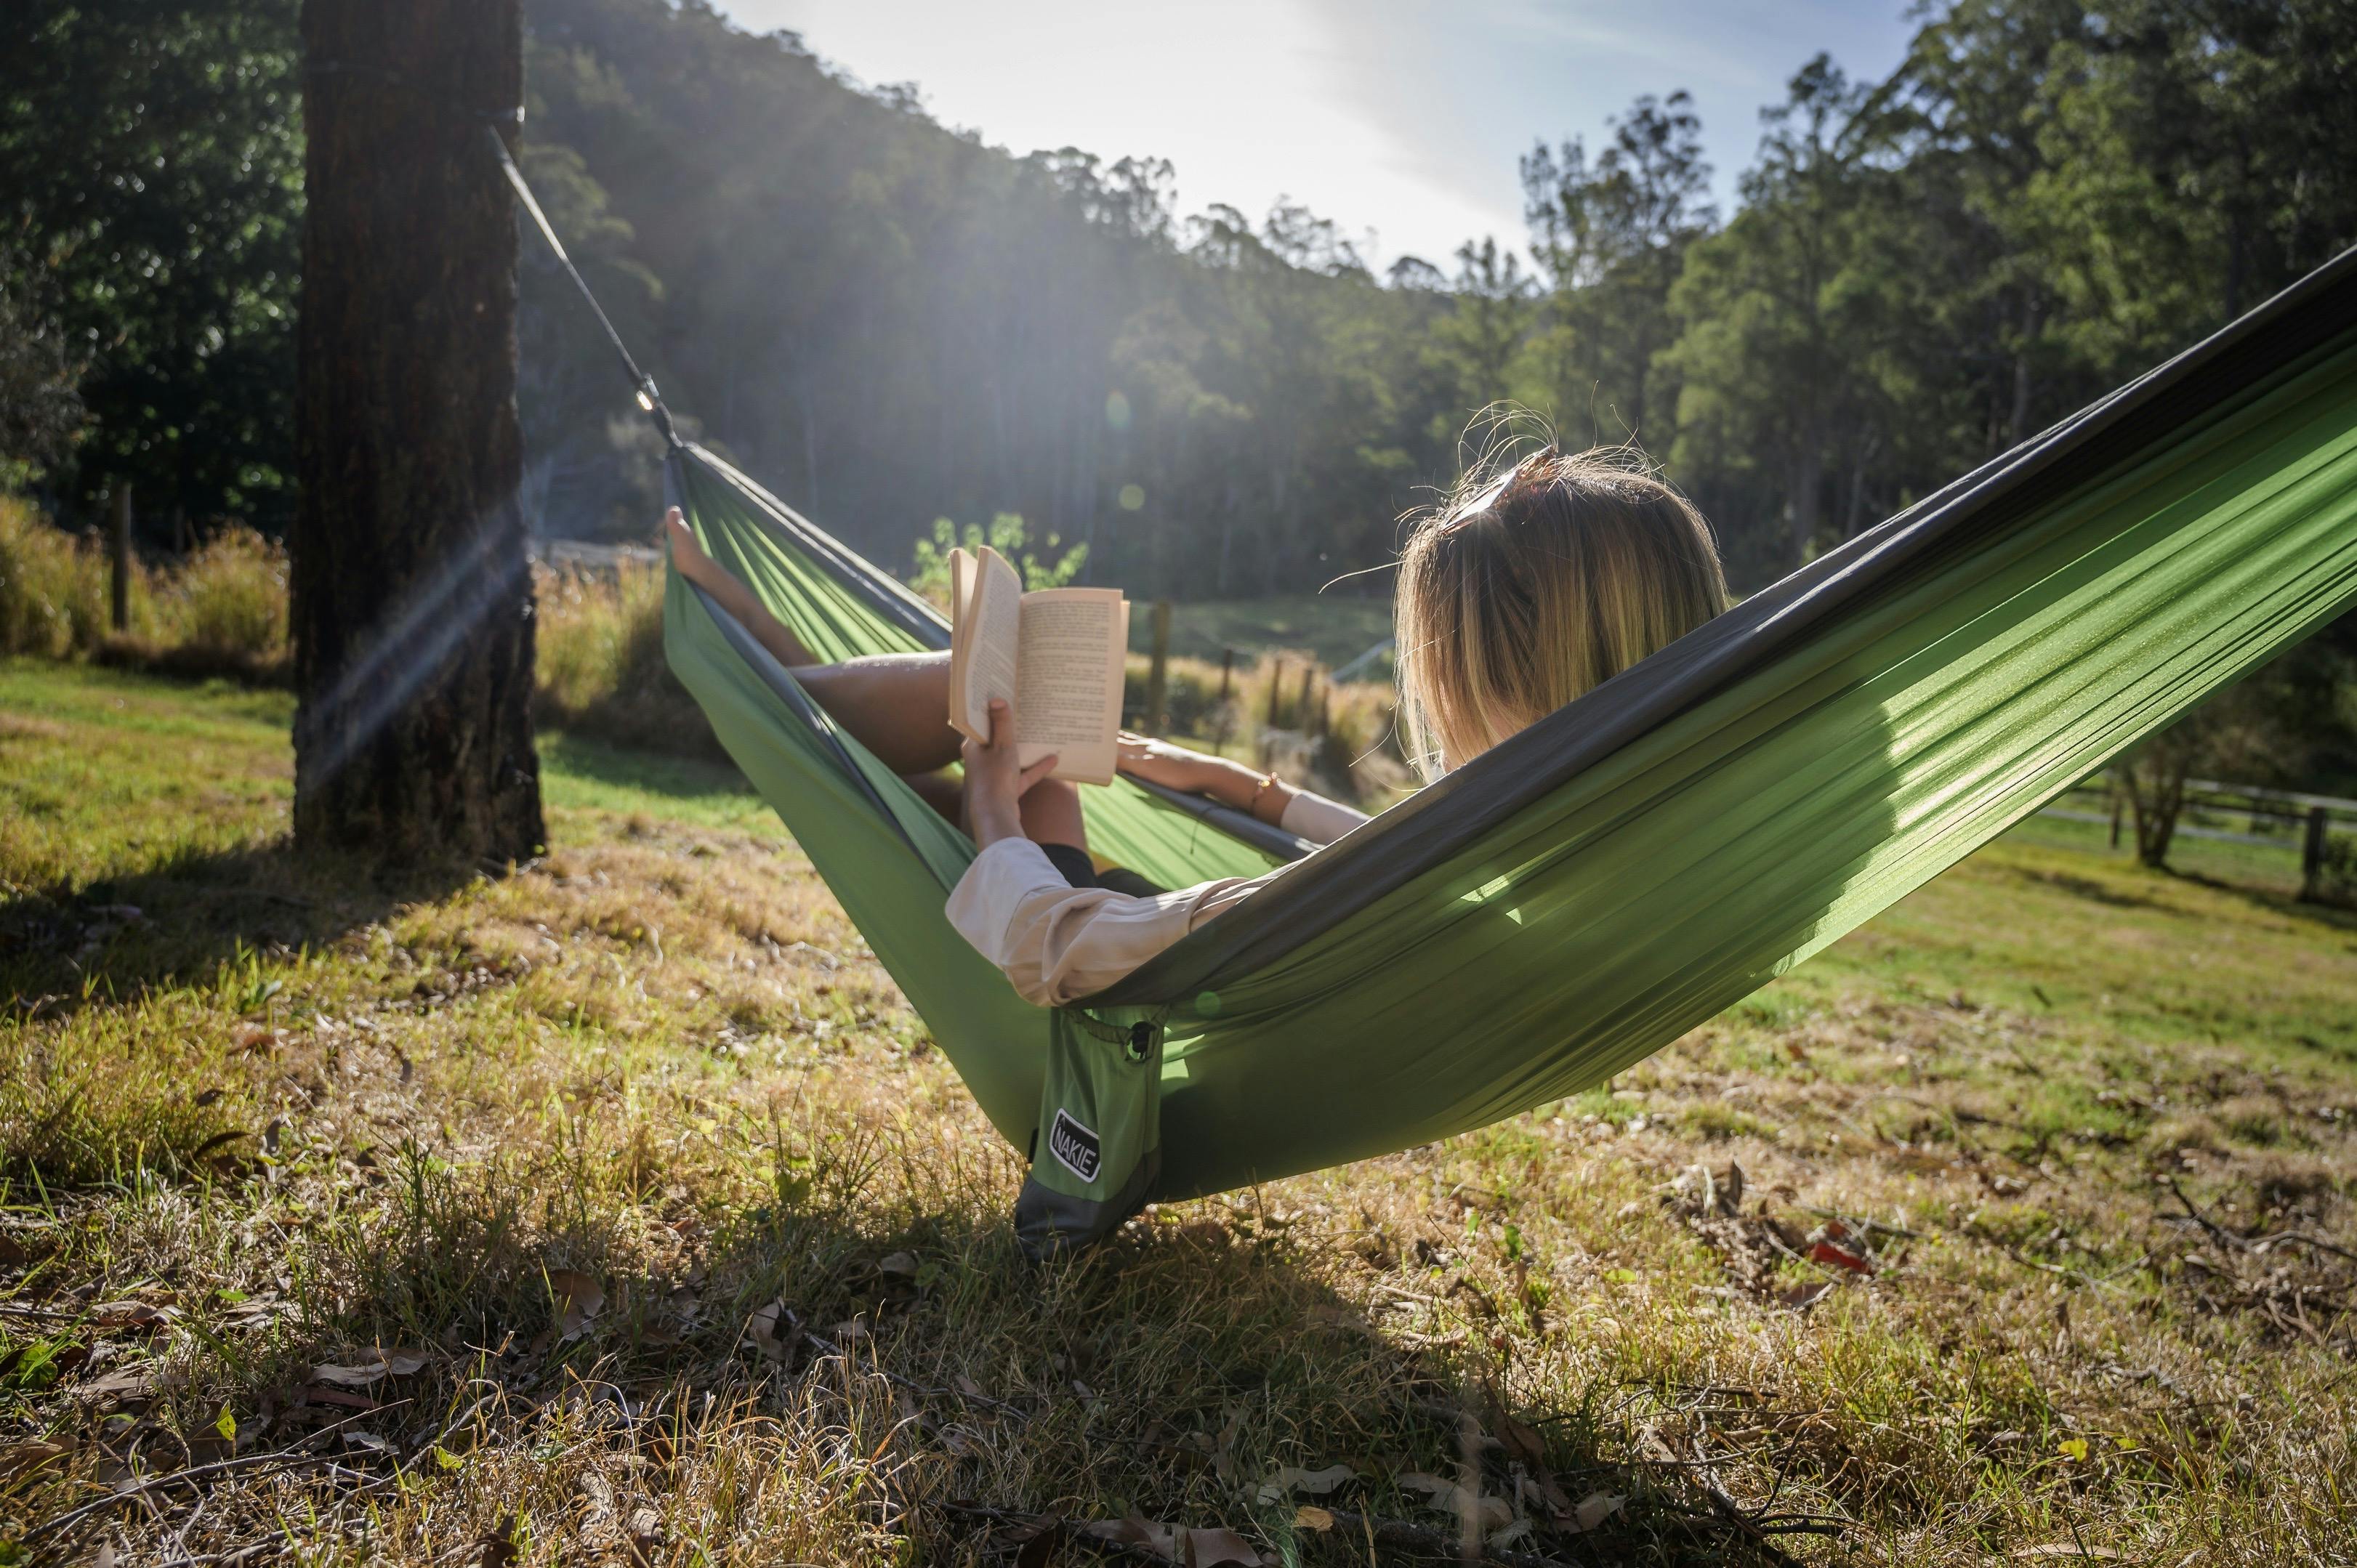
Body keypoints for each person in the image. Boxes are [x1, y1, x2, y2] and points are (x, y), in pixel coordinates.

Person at [666, 438, 1728, 1006]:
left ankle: (774, 668)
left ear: (1519, 672)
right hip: (1126, 925)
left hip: (1095, 959)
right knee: (994, 719)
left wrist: (996, 814)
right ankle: (783, 667)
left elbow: (1057, 951)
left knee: (981, 729)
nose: (1433, 718)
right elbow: (1396, 853)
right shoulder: (1586, 858)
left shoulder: (1417, 896)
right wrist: (1235, 784)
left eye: (1449, 679)